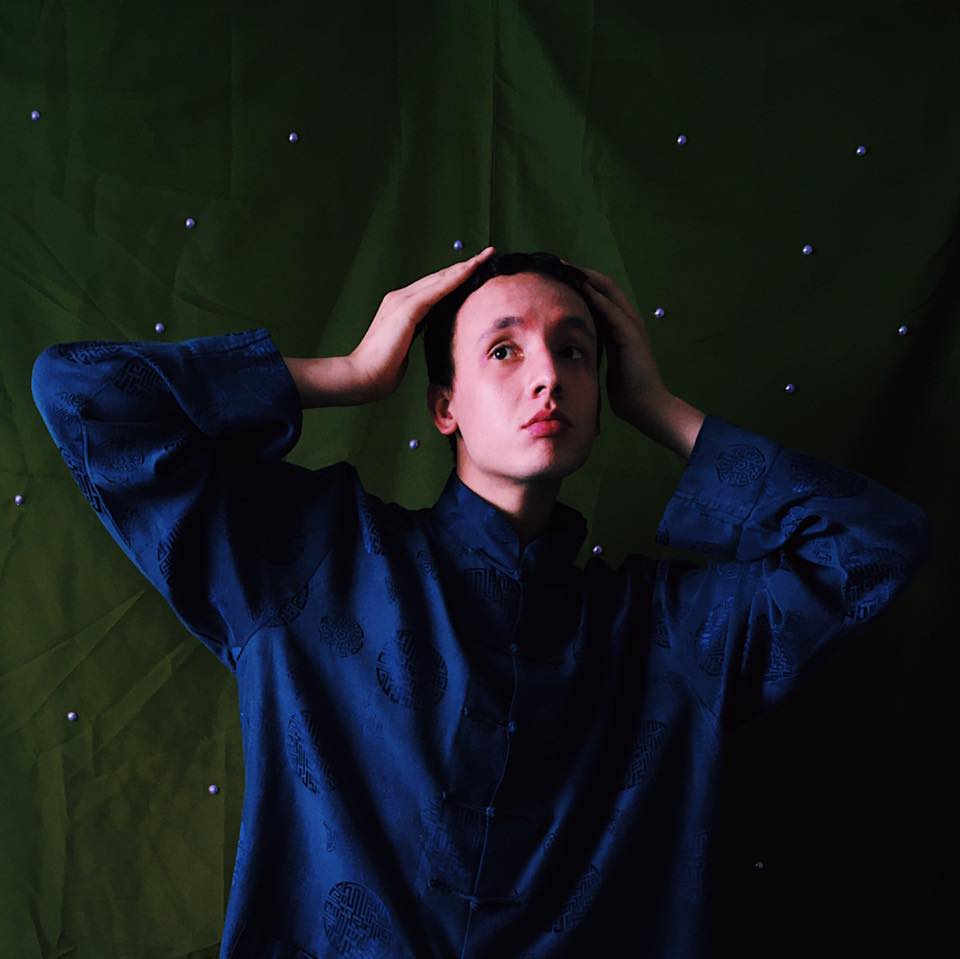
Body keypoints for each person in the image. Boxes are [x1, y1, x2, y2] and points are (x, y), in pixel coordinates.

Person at [31, 248, 932, 959]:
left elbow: (877, 544)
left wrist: (657, 406)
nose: (548, 377)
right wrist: (351, 371)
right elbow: (81, 394)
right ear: (444, 405)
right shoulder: (312, 558)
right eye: (505, 350)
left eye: (574, 352)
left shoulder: (664, 631)